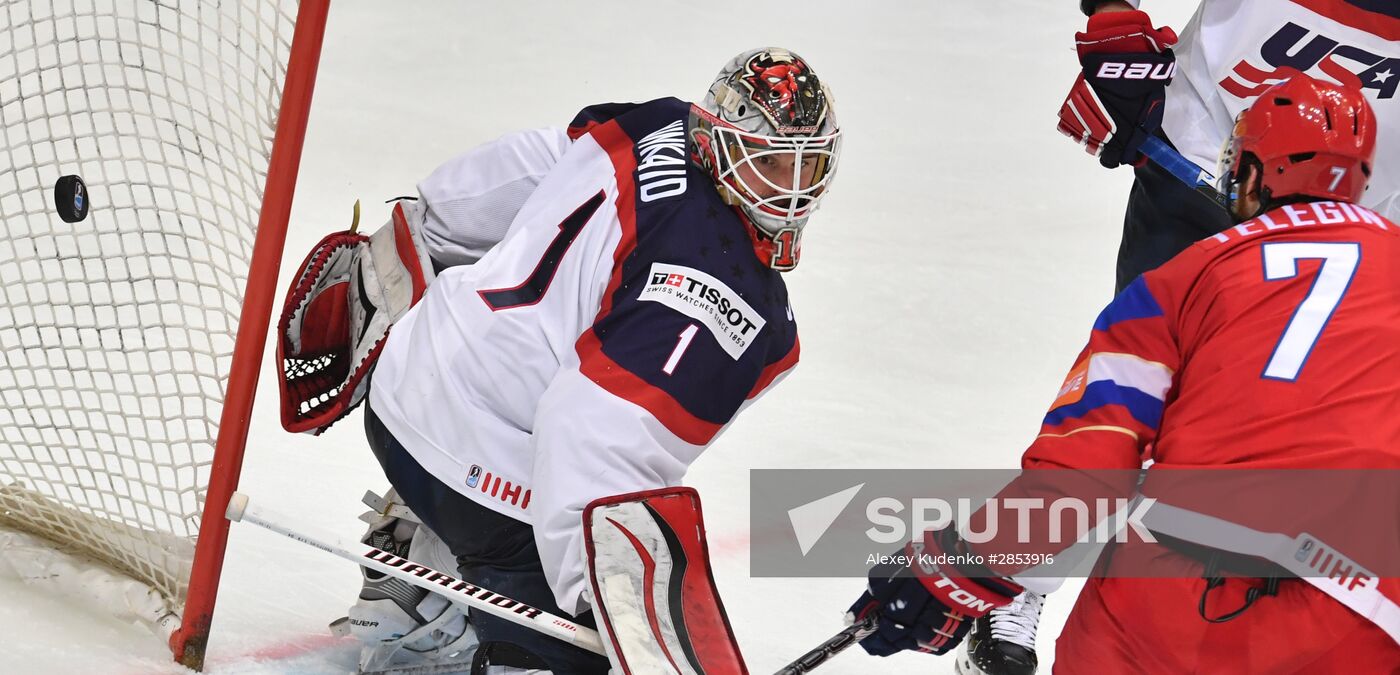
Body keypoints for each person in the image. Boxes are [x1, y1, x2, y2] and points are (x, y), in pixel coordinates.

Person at [852, 74, 1400, 673]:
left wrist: (955, 570)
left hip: (1168, 595)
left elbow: (1082, 477)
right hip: (1360, 605)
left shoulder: (1178, 280)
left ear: (1249, 175)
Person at [327, 47, 842, 673]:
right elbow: (591, 433)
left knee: (518, 394)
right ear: (720, 145)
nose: (791, 191)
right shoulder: (720, 287)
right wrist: (601, 608)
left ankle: (421, 544)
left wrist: (432, 225)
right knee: (581, 654)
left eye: (805, 165)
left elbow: (531, 166)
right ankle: (437, 618)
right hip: (473, 466)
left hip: (406, 381)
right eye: (768, 166)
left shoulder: (657, 124)